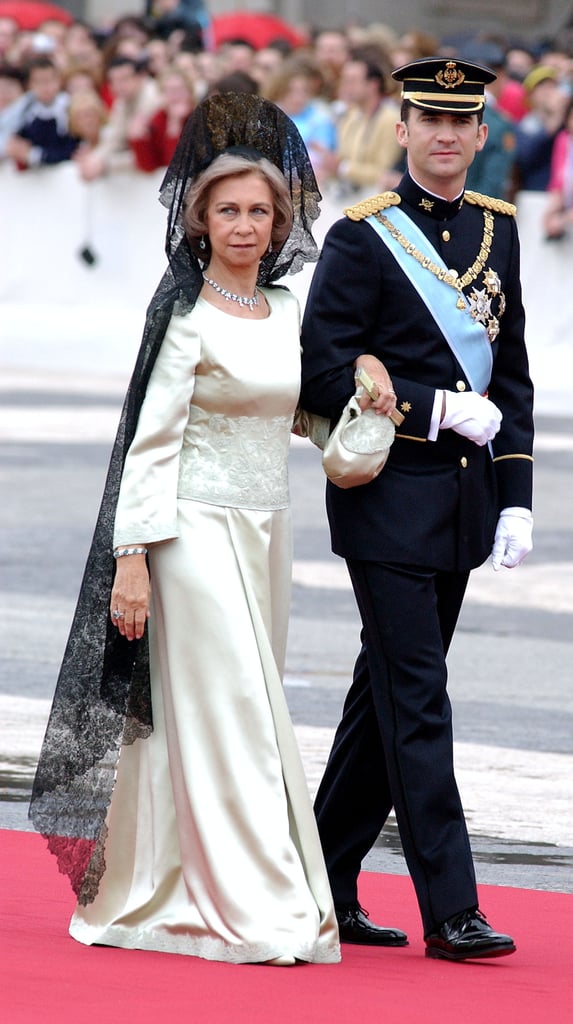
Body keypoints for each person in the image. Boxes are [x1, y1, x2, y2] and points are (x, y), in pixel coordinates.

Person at [29, 92, 340, 968]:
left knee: (213, 717)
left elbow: (306, 414)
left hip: (266, 534)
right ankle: (255, 902)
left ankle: (166, 879)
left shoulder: (284, 313)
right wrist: (134, 560)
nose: (244, 225)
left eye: (258, 211)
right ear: (199, 220)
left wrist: (364, 375)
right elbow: (149, 447)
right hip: (190, 536)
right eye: (227, 210)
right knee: (237, 709)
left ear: (281, 220)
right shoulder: (186, 316)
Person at [300, 57, 534, 961]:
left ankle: (320, 872)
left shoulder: (497, 231)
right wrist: (434, 407)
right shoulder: (363, 236)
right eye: (427, 121)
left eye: (460, 122)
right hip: (387, 498)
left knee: (383, 697)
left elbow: (510, 376)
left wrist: (515, 497)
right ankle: (452, 907)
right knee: (419, 697)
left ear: (481, 135)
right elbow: (320, 373)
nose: (444, 136)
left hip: (465, 505)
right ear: (400, 131)